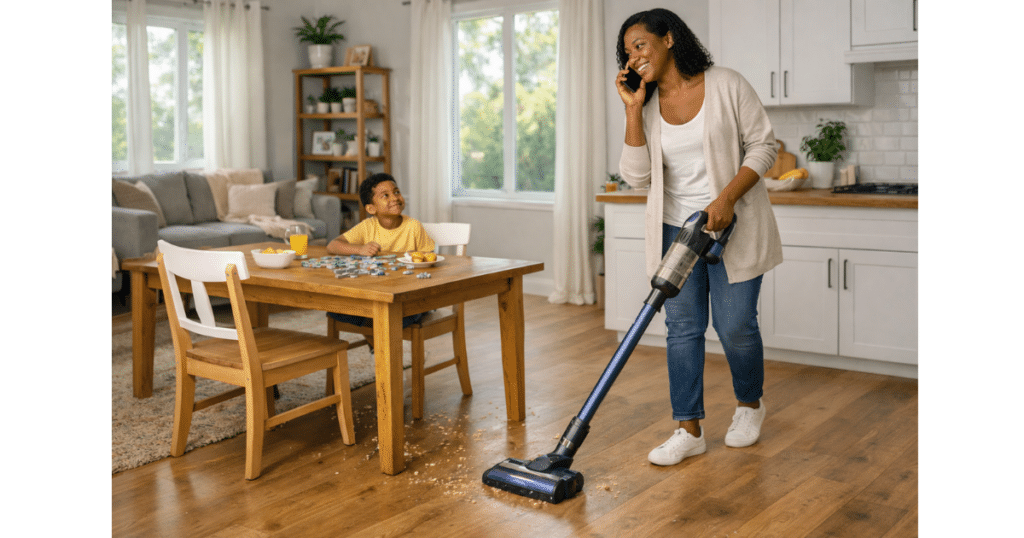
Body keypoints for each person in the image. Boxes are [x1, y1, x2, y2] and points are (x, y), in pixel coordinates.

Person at [615, 8, 783, 466]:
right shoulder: (646, 105)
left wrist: (726, 199)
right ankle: (688, 429)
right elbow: (635, 178)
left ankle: (750, 406)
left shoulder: (725, 84)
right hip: (676, 228)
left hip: (730, 224)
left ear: (669, 39)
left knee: (735, 326)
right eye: (628, 51)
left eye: (641, 44)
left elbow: (765, 145)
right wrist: (632, 110)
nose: (634, 55)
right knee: (683, 329)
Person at [326, 172, 436, 334]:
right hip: (376, 296)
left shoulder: (413, 226)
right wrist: (360, 249)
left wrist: (416, 261)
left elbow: (429, 260)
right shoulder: (367, 226)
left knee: (390, 318)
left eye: (396, 192)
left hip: (410, 299)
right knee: (337, 311)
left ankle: (381, 351)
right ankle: (378, 349)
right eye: (385, 195)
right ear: (371, 208)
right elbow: (333, 245)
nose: (394, 198)